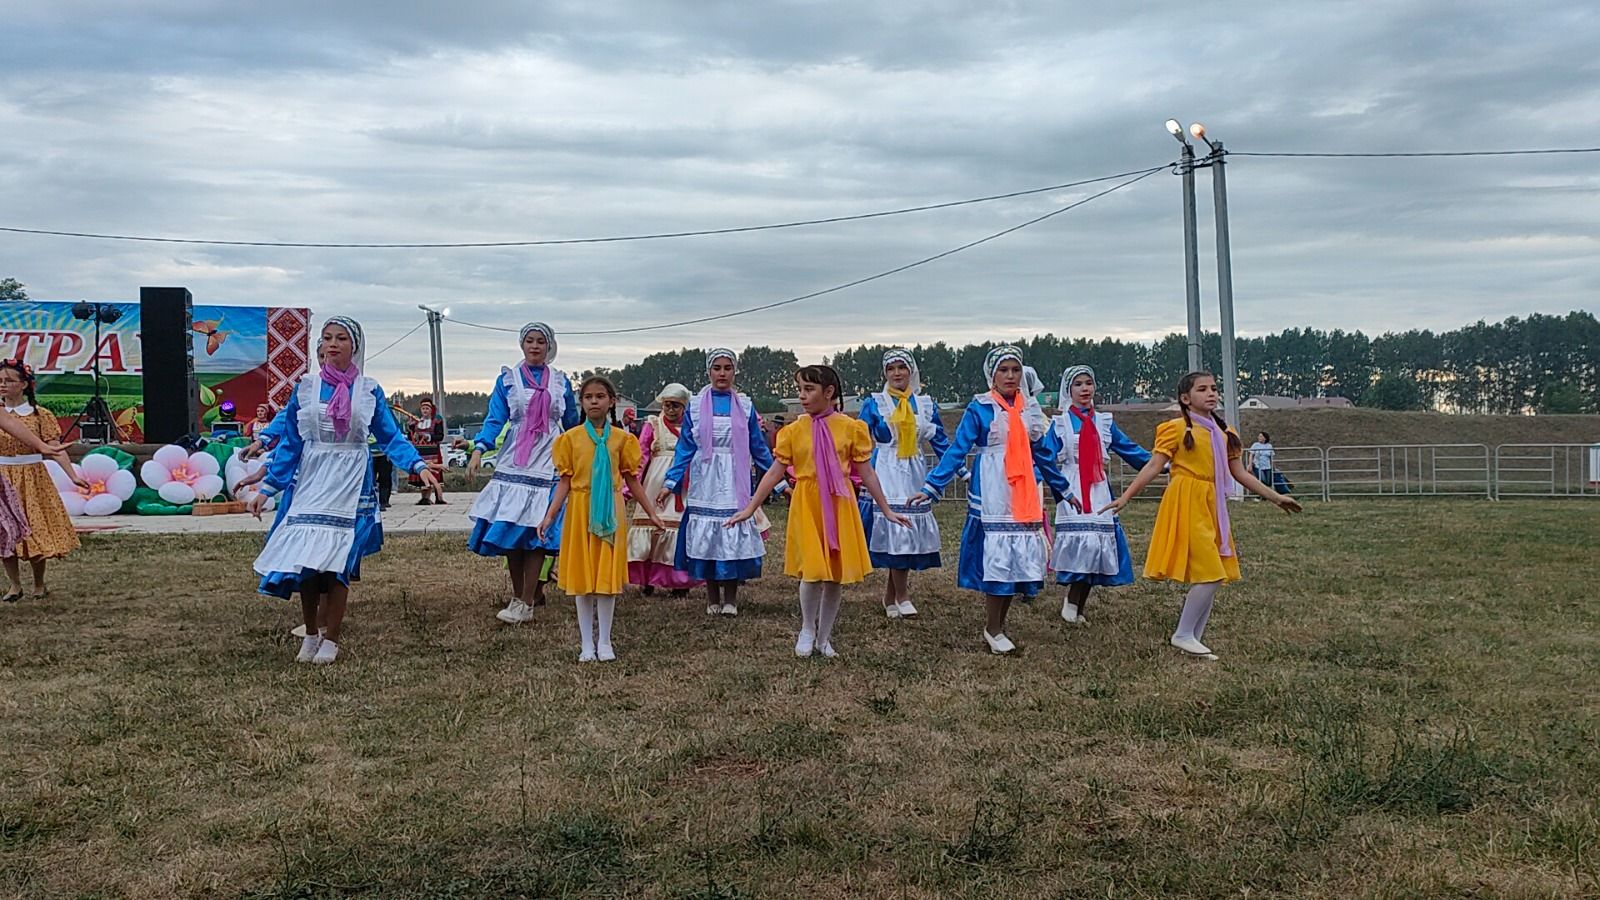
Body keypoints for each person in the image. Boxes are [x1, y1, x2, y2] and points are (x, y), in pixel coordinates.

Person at [246, 316, 442, 665]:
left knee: (336, 562)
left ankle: (332, 639)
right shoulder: (306, 387)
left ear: (355, 347)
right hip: (313, 476)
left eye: (341, 338)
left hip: (350, 477)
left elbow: (390, 435)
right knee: (306, 558)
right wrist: (269, 487)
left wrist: (418, 465)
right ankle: (310, 634)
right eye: (327, 338)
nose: (332, 344)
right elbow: (291, 441)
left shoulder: (367, 390)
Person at [1106, 371, 1302, 660]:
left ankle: (1194, 638)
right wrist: (1125, 497)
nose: (1211, 393)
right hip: (1186, 500)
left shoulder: (1226, 433)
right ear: (1186, 399)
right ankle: (1183, 634)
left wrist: (1275, 496)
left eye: (1213, 388)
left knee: (1214, 571)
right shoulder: (1174, 429)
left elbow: (1239, 473)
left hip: (1212, 504)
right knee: (1211, 572)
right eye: (1202, 389)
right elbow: (1152, 467)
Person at [728, 365, 909, 658]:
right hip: (808, 503)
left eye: (808, 389)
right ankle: (807, 629)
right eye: (799, 389)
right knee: (811, 572)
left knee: (833, 575)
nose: (802, 396)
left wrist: (886, 509)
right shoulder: (794, 431)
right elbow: (774, 473)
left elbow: (868, 473)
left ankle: (825, 637)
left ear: (829, 393)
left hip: (840, 504)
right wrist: (750, 507)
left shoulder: (851, 429)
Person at [911, 346, 1076, 655]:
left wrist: (1064, 489)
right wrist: (932, 486)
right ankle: (993, 628)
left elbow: (1042, 454)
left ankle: (999, 626)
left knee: (1016, 559)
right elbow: (958, 448)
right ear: (992, 376)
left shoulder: (1029, 410)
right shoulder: (980, 408)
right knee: (998, 558)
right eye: (1004, 370)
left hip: (1023, 488)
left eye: (1015, 370)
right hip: (993, 487)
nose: (1011, 376)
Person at [464, 323, 581, 624]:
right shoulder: (508, 379)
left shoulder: (559, 381)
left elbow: (570, 422)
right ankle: (519, 596)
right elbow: (495, 418)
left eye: (540, 341)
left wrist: (582, 453)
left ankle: (528, 599)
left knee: (537, 531)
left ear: (549, 346)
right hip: (516, 458)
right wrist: (480, 449)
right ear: (521, 345)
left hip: (548, 459)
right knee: (511, 529)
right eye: (529, 341)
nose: (534, 346)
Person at [544, 376, 667, 662]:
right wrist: (549, 516)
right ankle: (586, 642)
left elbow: (632, 480)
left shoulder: (622, 440)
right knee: (583, 576)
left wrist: (651, 513)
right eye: (588, 397)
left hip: (611, 510)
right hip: (580, 508)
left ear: (611, 401)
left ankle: (605, 640)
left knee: (606, 577)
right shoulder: (569, 440)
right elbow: (564, 481)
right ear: (582, 402)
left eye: (600, 396)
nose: (594, 402)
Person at [656, 349, 778, 617]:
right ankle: (712, 596)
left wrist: (778, 482)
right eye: (717, 368)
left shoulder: (745, 405)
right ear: (709, 371)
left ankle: (731, 598)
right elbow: (686, 447)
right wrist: (670, 482)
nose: (722, 373)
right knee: (707, 537)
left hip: (735, 477)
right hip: (706, 477)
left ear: (734, 372)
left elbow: (758, 447)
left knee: (731, 531)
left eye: (727, 368)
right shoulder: (697, 406)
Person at [1044, 365, 1151, 625]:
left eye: (1088, 383)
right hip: (1072, 486)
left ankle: (1078, 604)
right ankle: (1071, 601)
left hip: (1099, 487)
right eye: (1078, 384)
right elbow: (1044, 457)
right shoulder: (1060, 424)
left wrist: (1162, 463)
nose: (1084, 389)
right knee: (1084, 543)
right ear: (1069, 390)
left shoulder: (1104, 422)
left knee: (1097, 545)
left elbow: (1129, 449)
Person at [857, 348, 953, 619]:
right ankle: (902, 595)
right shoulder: (875, 403)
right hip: (886, 469)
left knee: (907, 536)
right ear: (885, 374)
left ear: (911, 372)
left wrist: (959, 471)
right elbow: (859, 438)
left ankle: (890, 596)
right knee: (898, 533)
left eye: (902, 367)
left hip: (914, 470)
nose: (897, 373)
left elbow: (940, 441)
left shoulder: (924, 404)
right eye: (891, 369)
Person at [0, 359, 80, 602]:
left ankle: (39, 583)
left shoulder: (39, 414)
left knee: (35, 528)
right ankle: (14, 585)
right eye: (0, 381)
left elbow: (54, 448)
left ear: (24, 385)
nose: (2, 385)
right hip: (4, 476)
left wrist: (73, 476)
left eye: (9, 381)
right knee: (5, 531)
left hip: (32, 477)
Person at [627, 383, 701, 596]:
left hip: (683, 483)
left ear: (684, 407)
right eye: (668, 405)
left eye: (676, 406)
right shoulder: (653, 424)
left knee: (678, 528)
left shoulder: (692, 427)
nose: (671, 410)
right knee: (653, 528)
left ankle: (679, 580)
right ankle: (647, 578)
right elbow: (641, 455)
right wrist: (632, 486)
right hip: (655, 483)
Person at [408, 399, 446, 505]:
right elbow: (410, 437)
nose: (425, 411)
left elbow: (440, 436)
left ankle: (432, 496)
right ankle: (424, 497)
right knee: (421, 474)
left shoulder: (436, 421)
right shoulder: (416, 422)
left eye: (427, 409)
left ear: (431, 410)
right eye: (423, 409)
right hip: (419, 453)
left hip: (432, 452)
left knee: (432, 473)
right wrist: (410, 428)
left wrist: (428, 436)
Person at [1248, 432, 1275, 496]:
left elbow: (1271, 457)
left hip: (1267, 466)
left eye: (1261, 436)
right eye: (1259, 436)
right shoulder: (1255, 445)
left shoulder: (1269, 446)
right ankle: (1262, 494)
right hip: (1258, 466)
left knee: (1268, 482)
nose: (1259, 437)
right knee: (1263, 480)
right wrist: (1250, 464)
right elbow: (1251, 455)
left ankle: (1265, 496)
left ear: (1265, 438)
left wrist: (1273, 467)